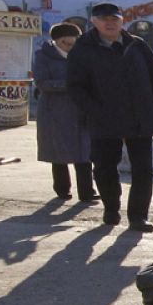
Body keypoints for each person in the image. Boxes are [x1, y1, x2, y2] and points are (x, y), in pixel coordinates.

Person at [66, 3, 153, 233]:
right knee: (105, 168)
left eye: (114, 19)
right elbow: (76, 88)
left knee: (143, 170)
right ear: (94, 22)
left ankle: (138, 217)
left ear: (121, 20)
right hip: (104, 119)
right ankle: (111, 209)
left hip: (140, 118)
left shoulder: (137, 45)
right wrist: (94, 112)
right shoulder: (83, 49)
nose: (110, 23)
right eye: (104, 19)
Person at [31, 23, 94, 202]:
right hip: (54, 112)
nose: (70, 44)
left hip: (80, 110)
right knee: (58, 152)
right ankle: (62, 189)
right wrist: (70, 85)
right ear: (56, 41)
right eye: (65, 41)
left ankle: (87, 191)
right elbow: (42, 82)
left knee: (84, 153)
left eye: (73, 40)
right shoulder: (43, 56)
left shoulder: (82, 56)